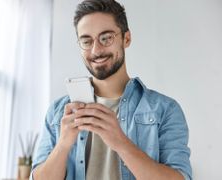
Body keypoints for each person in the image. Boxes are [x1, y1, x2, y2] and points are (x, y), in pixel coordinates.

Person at [31, 0, 192, 179]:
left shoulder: (165, 109)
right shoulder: (57, 112)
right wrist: (63, 143)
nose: (96, 50)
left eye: (106, 38)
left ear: (126, 38)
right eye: (86, 40)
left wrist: (120, 143)